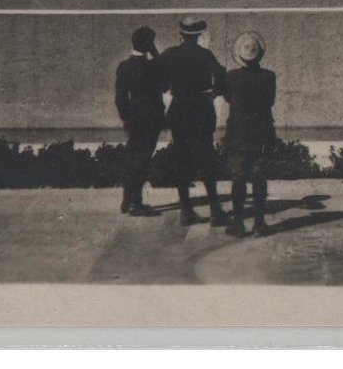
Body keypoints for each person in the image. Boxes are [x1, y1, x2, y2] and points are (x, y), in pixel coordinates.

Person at [154, 15, 228, 225]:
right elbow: (221, 74)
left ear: (182, 34)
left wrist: (168, 86)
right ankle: (215, 211)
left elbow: (160, 81)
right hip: (201, 108)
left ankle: (186, 211)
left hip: (179, 109)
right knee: (206, 158)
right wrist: (215, 92)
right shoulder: (205, 54)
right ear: (199, 35)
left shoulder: (171, 54)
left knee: (182, 160)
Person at [223, 31, 278, 238]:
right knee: (259, 179)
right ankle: (259, 224)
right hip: (261, 135)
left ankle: (238, 224)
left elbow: (228, 97)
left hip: (237, 135)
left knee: (238, 179)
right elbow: (270, 102)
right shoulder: (269, 77)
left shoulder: (232, 77)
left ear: (239, 54)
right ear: (259, 54)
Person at [112, 25, 164, 216]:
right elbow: (165, 83)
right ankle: (135, 202)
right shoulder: (152, 66)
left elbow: (120, 98)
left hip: (134, 119)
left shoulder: (124, 66)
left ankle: (128, 200)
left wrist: (128, 118)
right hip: (151, 119)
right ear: (148, 44)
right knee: (142, 160)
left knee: (132, 158)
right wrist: (156, 53)